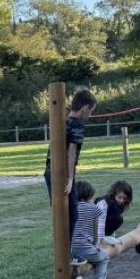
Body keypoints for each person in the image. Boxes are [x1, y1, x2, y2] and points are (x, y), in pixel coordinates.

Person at [44, 89, 97, 248]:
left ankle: (64, 253)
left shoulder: (64, 120)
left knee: (61, 213)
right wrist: (70, 177)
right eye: (91, 111)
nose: (90, 116)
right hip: (61, 173)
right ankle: (66, 253)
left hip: (49, 171)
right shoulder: (77, 125)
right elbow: (71, 152)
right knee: (71, 212)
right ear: (86, 108)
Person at [70, 181, 115, 279]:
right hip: (84, 247)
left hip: (69, 248)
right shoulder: (93, 208)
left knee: (78, 254)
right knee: (103, 258)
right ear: (90, 194)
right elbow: (95, 230)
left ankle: (75, 258)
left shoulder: (71, 208)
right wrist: (95, 244)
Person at [96, 180, 133, 246]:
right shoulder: (104, 203)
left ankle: (108, 237)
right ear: (113, 194)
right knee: (118, 218)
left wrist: (112, 237)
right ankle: (102, 238)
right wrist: (100, 241)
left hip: (103, 229)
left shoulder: (117, 205)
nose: (122, 200)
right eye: (119, 197)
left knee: (119, 218)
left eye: (125, 198)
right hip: (94, 228)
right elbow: (100, 222)